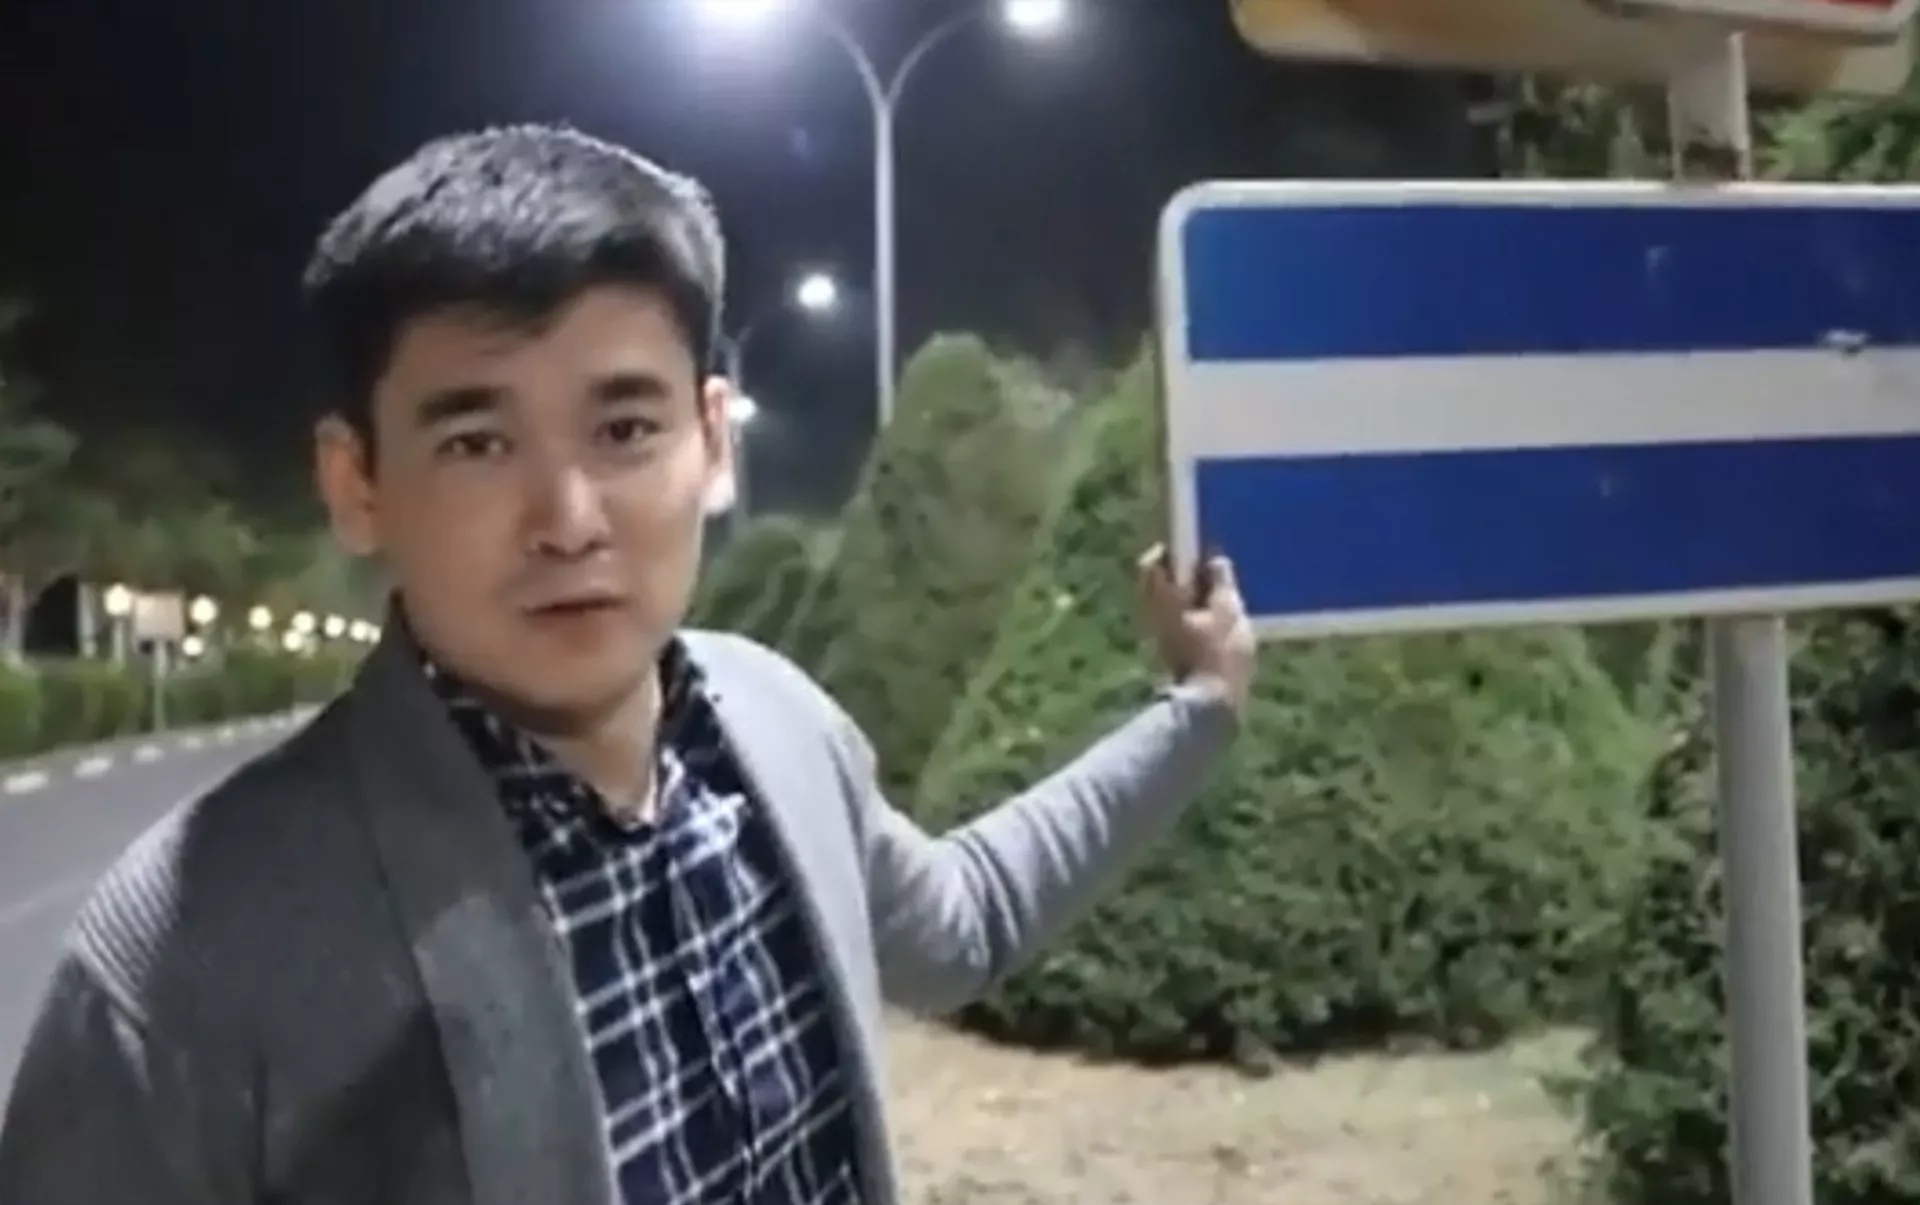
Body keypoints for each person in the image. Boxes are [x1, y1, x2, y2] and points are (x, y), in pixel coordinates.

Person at [0, 124, 1254, 1205]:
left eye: (624, 427)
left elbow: (963, 919)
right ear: (357, 480)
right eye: (478, 441)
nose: (569, 518)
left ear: (711, 442)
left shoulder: (778, 726)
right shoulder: (191, 951)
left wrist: (1192, 708)